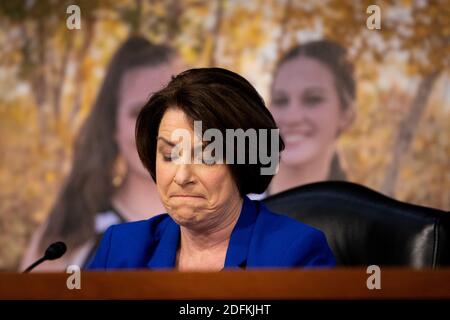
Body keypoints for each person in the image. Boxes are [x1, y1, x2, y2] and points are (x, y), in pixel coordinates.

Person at [88, 67, 335, 271]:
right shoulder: (120, 248)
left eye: (206, 156)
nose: (182, 177)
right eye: (170, 155)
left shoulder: (295, 252)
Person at [20, 36, 181, 271]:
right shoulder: (71, 234)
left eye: (170, 107)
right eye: (138, 112)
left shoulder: (231, 224)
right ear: (112, 126)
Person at [266, 40, 356, 196]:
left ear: (346, 114)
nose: (292, 117)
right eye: (281, 101)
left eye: (313, 99)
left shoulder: (363, 217)